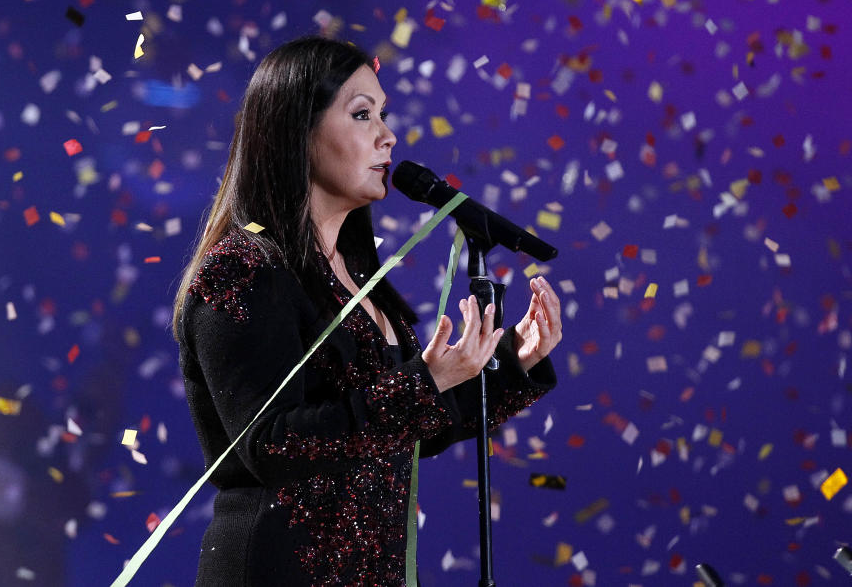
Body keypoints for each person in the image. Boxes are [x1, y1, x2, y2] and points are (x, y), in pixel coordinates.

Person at [173, 36, 564, 586]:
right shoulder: (241, 269)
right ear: (296, 133)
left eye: (383, 113)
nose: (388, 136)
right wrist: (422, 382)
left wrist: (506, 365)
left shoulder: (360, 282)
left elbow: (399, 433)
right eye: (362, 114)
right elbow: (272, 445)